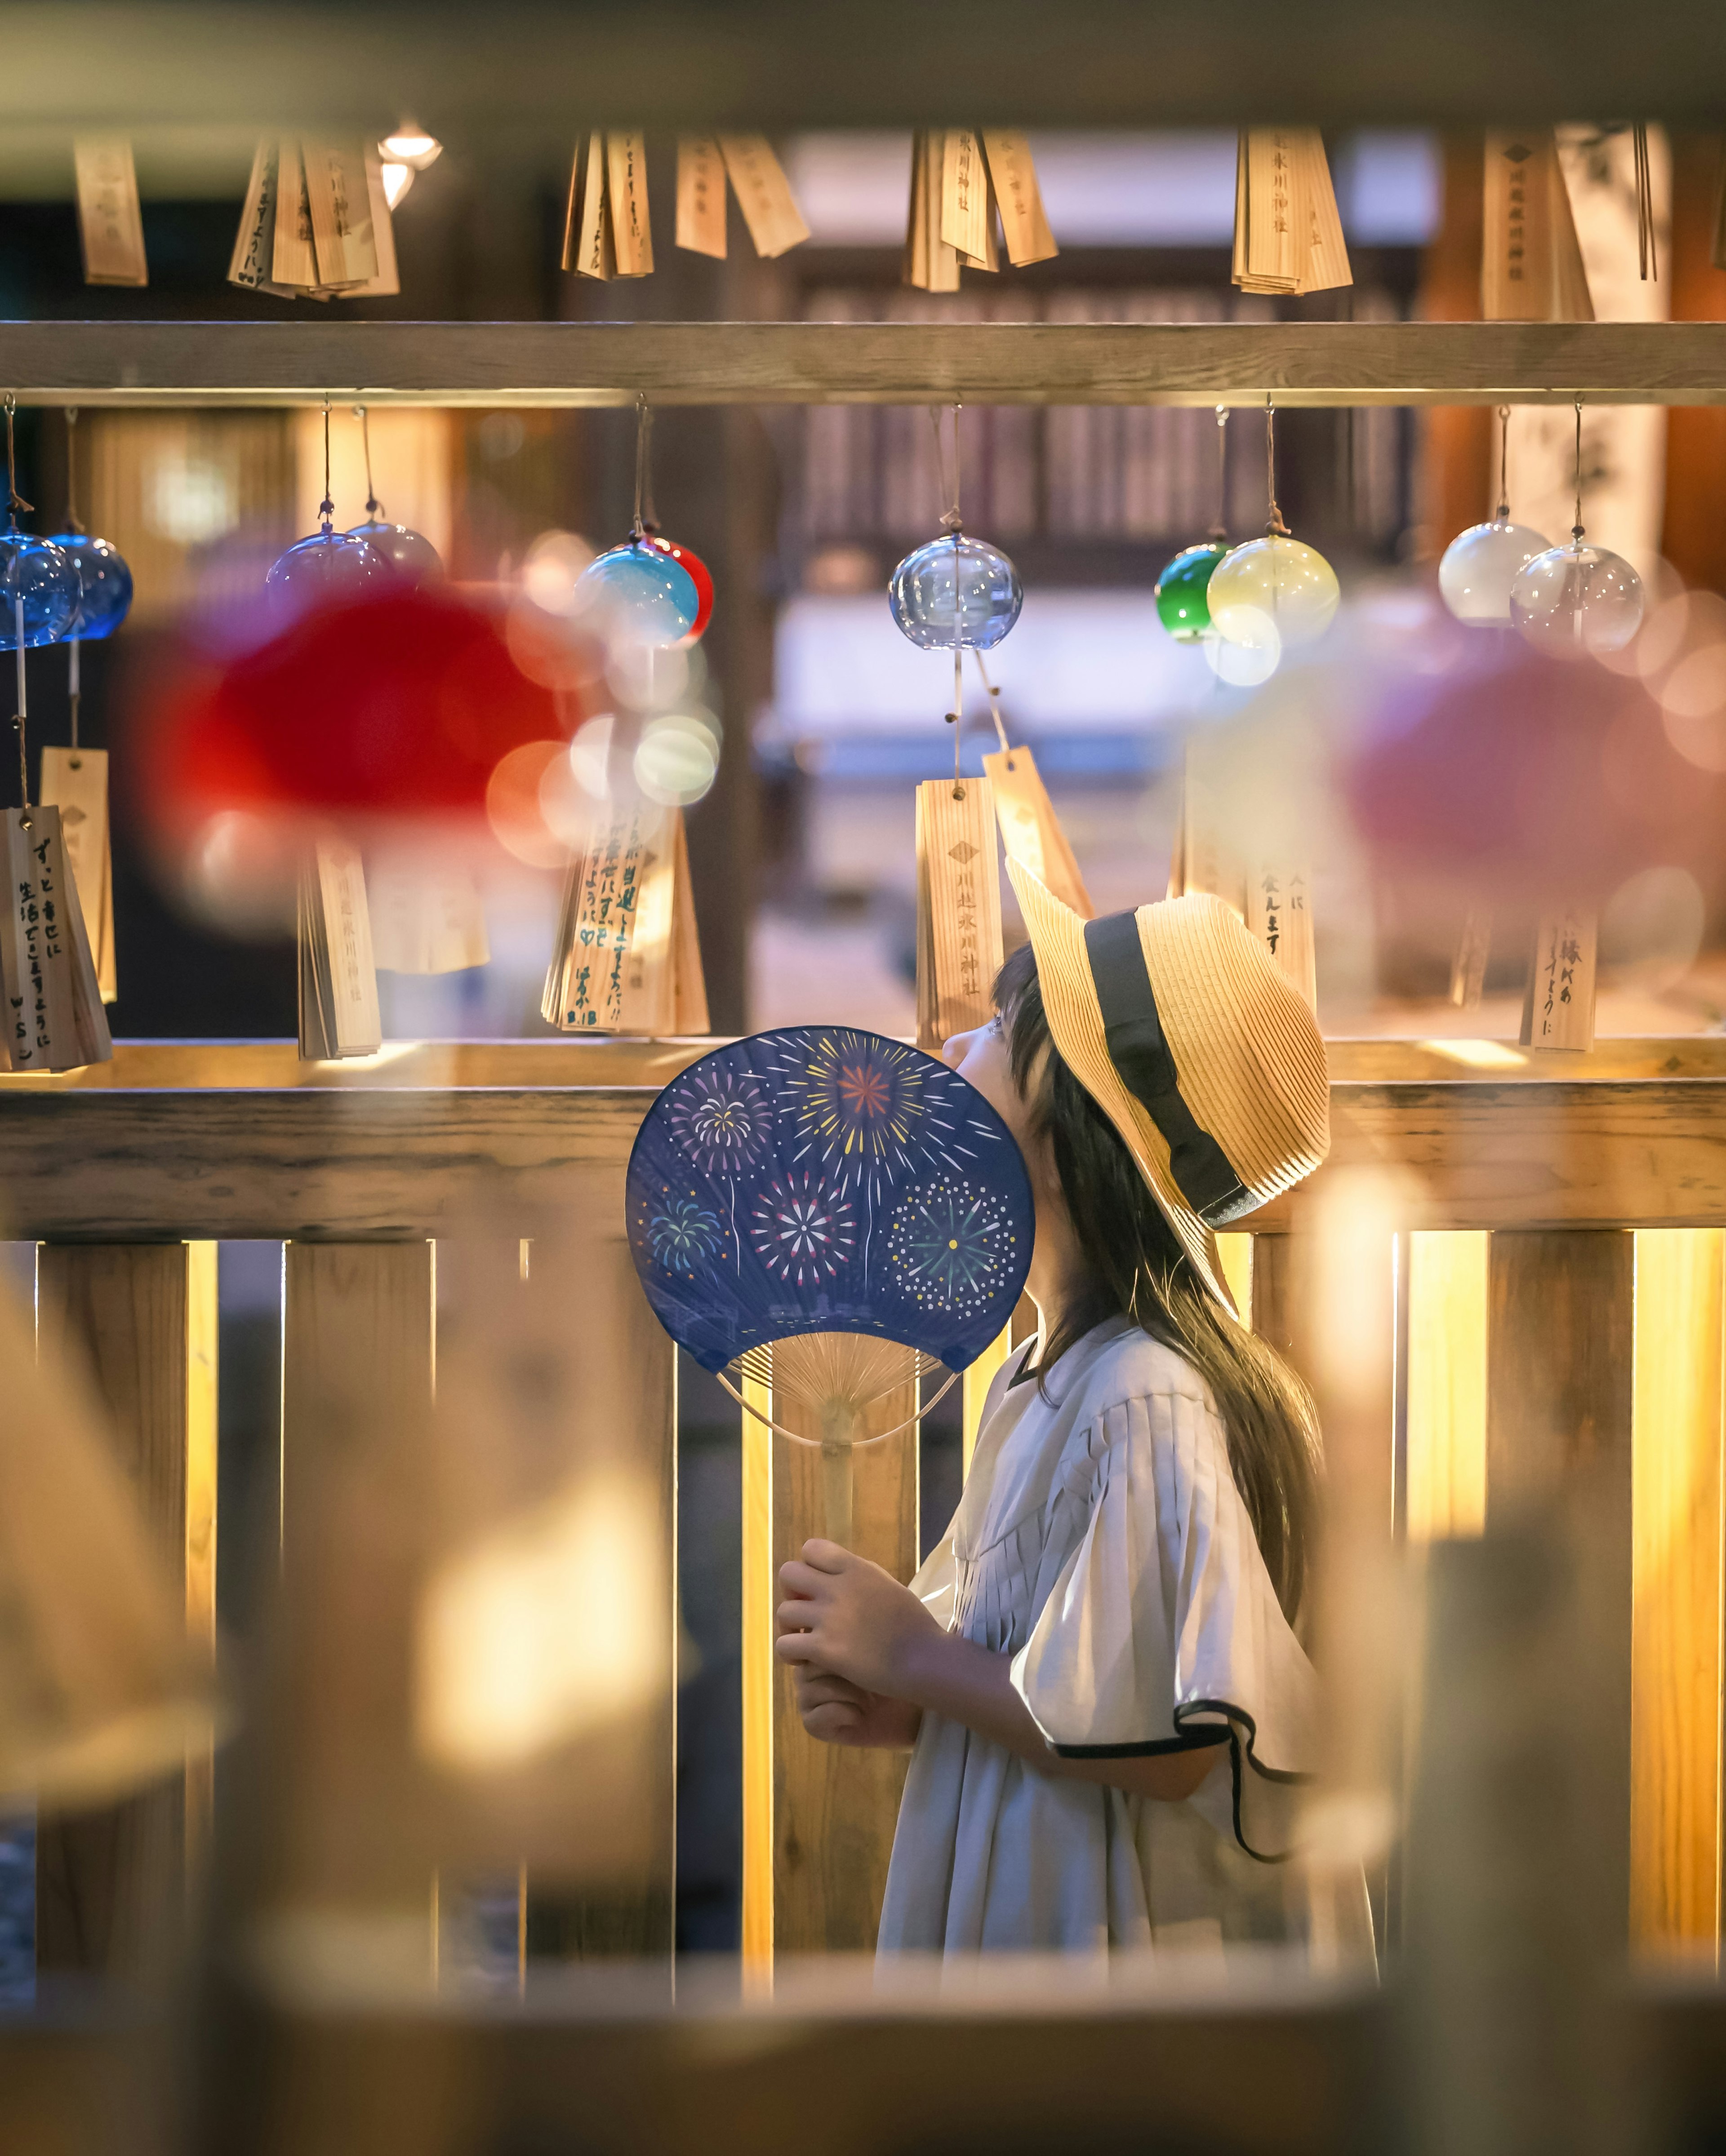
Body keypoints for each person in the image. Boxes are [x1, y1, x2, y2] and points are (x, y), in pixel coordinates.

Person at [774, 863, 1373, 1959]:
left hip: (1118, 1953)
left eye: (1001, 1027)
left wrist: (915, 1659)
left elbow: (1174, 1741)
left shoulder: (1145, 1394)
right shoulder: (1048, 1372)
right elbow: (1071, 1691)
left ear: (1070, 1124)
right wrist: (911, 1704)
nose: (958, 1043)